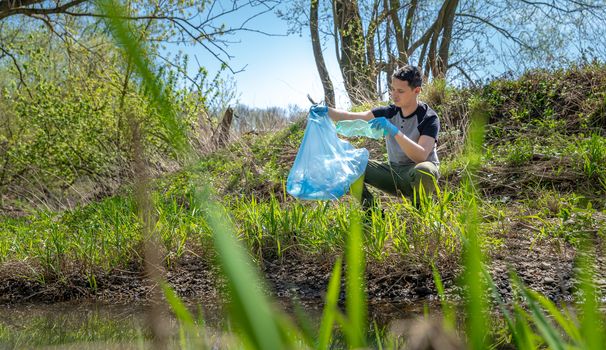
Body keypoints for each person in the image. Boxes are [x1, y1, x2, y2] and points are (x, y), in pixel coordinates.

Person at [314, 65, 440, 210]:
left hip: (417, 174)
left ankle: (420, 215)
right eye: (392, 89)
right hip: (393, 173)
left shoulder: (428, 117)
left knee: (425, 170)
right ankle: (372, 212)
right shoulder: (389, 112)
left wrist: (393, 131)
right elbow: (351, 117)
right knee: (350, 163)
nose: (394, 95)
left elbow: (421, 156)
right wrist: (325, 111)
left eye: (400, 91)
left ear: (416, 91)